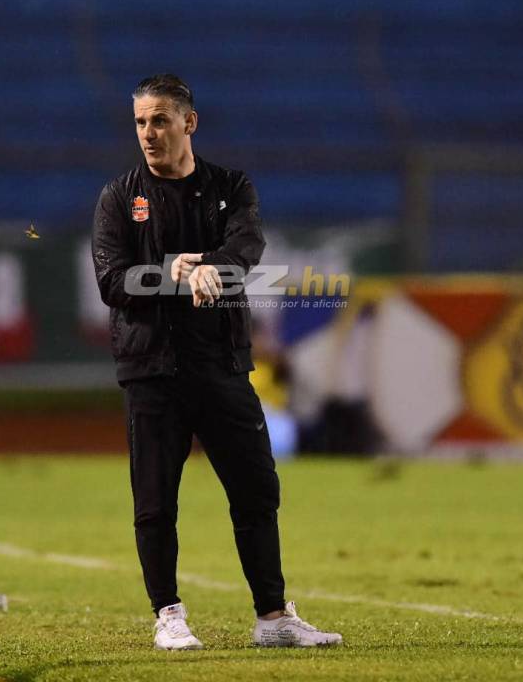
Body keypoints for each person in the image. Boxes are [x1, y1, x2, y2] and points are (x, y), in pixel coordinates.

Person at [91, 74, 342, 650]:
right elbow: (111, 280)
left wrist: (211, 265)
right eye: (139, 122)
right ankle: (169, 615)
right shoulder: (117, 197)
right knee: (155, 500)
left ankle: (274, 617)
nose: (148, 133)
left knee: (256, 489)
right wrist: (174, 271)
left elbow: (248, 248)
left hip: (221, 366)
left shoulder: (231, 187)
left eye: (159, 120)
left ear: (189, 123)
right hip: (151, 370)